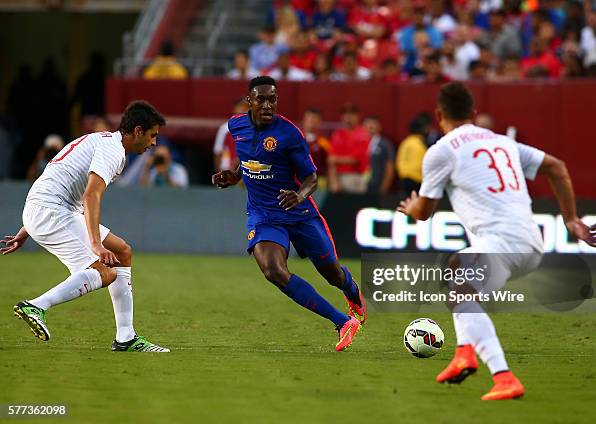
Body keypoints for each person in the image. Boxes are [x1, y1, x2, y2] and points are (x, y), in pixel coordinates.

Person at [396, 82, 596, 400]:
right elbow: (557, 168)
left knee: (456, 277)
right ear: (474, 114)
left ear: (439, 115)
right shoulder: (503, 142)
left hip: (502, 242)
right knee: (460, 283)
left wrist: (411, 208)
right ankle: (464, 352)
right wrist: (571, 219)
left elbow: (424, 212)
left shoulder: (442, 150)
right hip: (530, 242)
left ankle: (503, 376)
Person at [1, 101, 170, 353]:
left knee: (122, 252)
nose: (154, 143)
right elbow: (91, 195)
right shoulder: (112, 150)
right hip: (51, 211)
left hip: (46, 210)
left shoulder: (101, 140)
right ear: (137, 130)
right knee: (106, 272)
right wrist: (95, 244)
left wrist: (27, 229)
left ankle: (126, 337)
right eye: (152, 135)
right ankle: (36, 306)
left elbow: (59, 179)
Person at [212, 76, 365, 351]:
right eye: (262, 99)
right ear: (250, 101)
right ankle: (343, 322)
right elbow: (246, 157)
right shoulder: (236, 125)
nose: (268, 104)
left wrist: (300, 195)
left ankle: (352, 290)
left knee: (332, 274)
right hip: (264, 216)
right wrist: (234, 175)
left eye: (273, 99)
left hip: (300, 213)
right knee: (273, 271)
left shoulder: (290, 133)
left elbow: (312, 178)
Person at [328, 103, 370, 193]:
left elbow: (356, 160)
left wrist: (336, 160)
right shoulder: (337, 134)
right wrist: (333, 181)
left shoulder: (362, 134)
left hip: (356, 177)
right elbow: (331, 160)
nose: (348, 118)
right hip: (338, 177)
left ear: (357, 117)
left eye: (352, 115)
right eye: (346, 115)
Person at [363, 116, 395, 194]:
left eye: (374, 123)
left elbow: (390, 167)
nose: (371, 126)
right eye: (368, 123)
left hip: (377, 185)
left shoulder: (385, 144)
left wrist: (384, 187)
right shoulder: (358, 142)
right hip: (359, 185)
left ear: (379, 127)